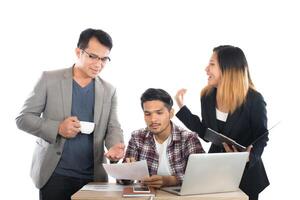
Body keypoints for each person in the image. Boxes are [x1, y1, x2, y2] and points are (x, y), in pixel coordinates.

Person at [16, 28, 125, 200]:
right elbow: (23, 119)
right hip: (54, 175)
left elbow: (113, 127)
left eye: (104, 59)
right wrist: (57, 127)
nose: (98, 64)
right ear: (78, 52)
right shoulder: (49, 79)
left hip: (93, 177)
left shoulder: (109, 90)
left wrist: (115, 145)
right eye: (93, 56)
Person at [175, 45, 269, 200]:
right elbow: (206, 134)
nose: (206, 69)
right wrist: (181, 107)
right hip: (216, 170)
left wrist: (248, 157)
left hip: (245, 174)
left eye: (212, 64)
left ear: (228, 69)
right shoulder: (207, 96)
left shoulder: (254, 100)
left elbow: (262, 137)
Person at [122, 88, 205, 188]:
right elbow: (124, 180)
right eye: (147, 114)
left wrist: (172, 180)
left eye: (159, 113)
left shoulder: (188, 139)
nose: (153, 119)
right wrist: (127, 173)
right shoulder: (137, 138)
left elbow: (201, 175)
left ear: (171, 113)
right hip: (148, 196)